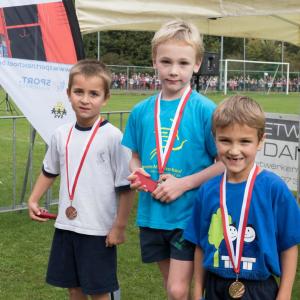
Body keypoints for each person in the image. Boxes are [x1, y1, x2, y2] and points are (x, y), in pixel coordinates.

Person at [122, 20, 224, 300]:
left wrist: (184, 184)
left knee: (178, 291)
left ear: (197, 64)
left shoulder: (206, 110)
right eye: (166, 61)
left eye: (182, 62)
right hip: (152, 216)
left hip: (188, 214)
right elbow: (134, 156)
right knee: (174, 289)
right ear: (154, 61)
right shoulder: (140, 111)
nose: (173, 70)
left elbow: (223, 163)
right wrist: (137, 172)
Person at [28, 59, 135, 300]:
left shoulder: (113, 138)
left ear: (105, 98)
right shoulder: (60, 134)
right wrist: (33, 199)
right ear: (68, 94)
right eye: (79, 92)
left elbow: (127, 188)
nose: (85, 99)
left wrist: (119, 226)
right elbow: (49, 171)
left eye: (93, 93)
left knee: (98, 291)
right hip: (66, 226)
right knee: (73, 288)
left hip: (98, 230)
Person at [184, 95, 300, 300]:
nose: (234, 150)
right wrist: (196, 292)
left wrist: (285, 294)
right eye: (225, 140)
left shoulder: (274, 189)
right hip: (215, 286)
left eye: (245, 141)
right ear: (215, 138)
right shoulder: (208, 190)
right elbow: (201, 245)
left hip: (259, 289)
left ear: (260, 140)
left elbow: (289, 246)